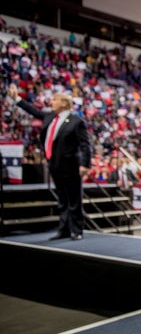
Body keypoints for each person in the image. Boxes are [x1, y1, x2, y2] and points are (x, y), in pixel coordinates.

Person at [8, 83, 92, 240]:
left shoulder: (76, 121)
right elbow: (33, 111)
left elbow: (85, 145)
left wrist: (85, 164)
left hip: (71, 165)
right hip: (55, 163)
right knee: (62, 198)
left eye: (55, 100)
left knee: (74, 198)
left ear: (64, 103)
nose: (51, 102)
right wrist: (16, 98)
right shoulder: (50, 117)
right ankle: (64, 230)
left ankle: (77, 230)